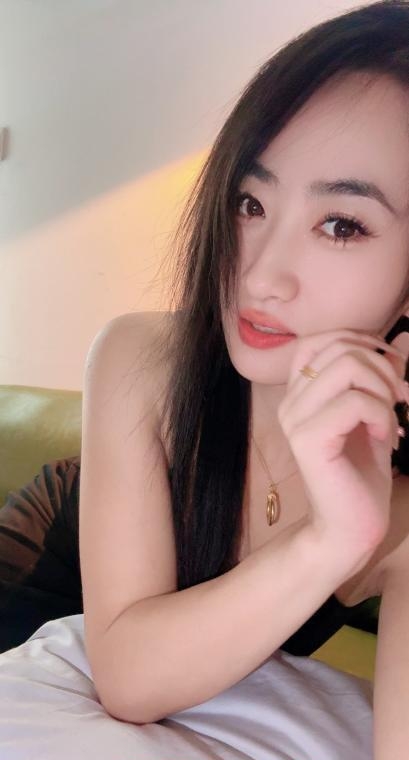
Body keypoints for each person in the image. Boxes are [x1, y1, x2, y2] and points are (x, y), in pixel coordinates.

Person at [1, 1, 409, 755]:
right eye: (250, 203)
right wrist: (324, 543)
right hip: (33, 582)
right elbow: (127, 680)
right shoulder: (142, 356)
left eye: (341, 224)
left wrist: (355, 531)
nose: (258, 274)